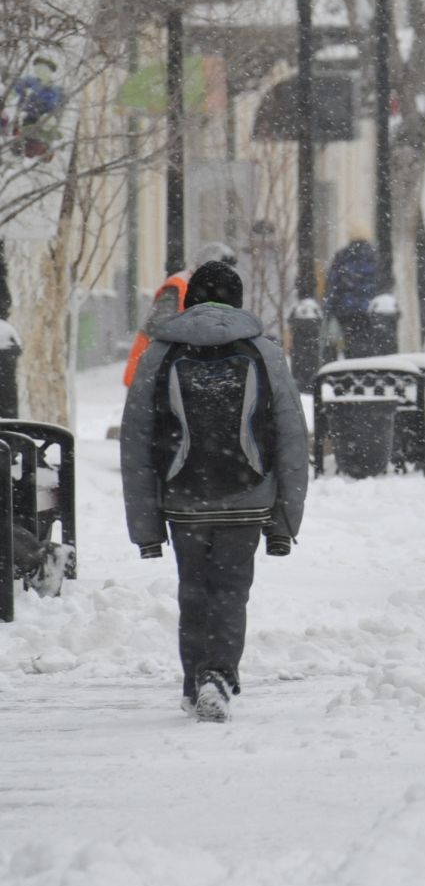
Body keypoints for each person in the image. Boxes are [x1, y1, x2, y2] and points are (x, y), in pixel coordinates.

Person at [119, 261, 308, 722]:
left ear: (188, 301)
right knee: (229, 590)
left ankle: (194, 680)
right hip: (248, 494)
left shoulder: (159, 354)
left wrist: (146, 529)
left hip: (185, 497)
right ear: (238, 300)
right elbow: (291, 437)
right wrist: (283, 523)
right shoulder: (264, 352)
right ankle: (218, 675)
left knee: (194, 590)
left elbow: (137, 440)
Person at [121, 243, 237, 387]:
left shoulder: (199, 285)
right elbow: (158, 327)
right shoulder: (180, 285)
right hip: (150, 370)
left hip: (165, 367)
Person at [325, 233, 382, 359]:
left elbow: (333, 284)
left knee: (349, 341)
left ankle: (351, 362)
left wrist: (329, 309)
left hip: (346, 310)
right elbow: (378, 284)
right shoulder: (374, 257)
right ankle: (365, 365)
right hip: (368, 310)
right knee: (367, 343)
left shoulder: (342, 256)